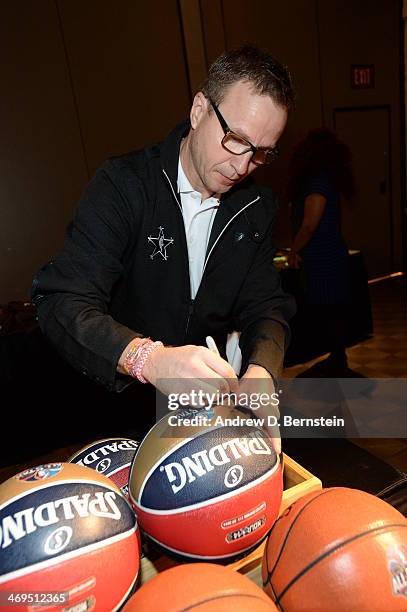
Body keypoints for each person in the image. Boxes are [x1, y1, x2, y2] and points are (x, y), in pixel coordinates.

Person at [31, 45, 296, 450]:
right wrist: (149, 360)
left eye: (260, 153)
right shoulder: (124, 186)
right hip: (115, 419)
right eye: (235, 140)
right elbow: (62, 301)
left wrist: (261, 371)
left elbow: (266, 308)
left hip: (202, 424)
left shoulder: (256, 207)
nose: (242, 166)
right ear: (199, 110)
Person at [286, 127, 355, 372]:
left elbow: (309, 225)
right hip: (330, 255)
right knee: (332, 309)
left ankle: (338, 360)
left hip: (324, 259)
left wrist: (293, 250)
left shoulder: (318, 182)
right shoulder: (328, 179)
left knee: (329, 309)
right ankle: (338, 357)